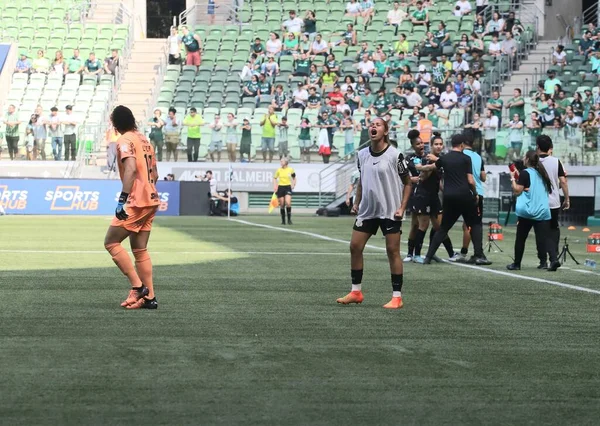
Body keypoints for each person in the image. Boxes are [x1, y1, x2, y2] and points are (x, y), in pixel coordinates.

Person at [336, 117, 412, 309]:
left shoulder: (395, 155)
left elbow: (408, 182)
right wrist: (357, 201)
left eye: (378, 125)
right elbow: (362, 179)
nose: (373, 127)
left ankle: (397, 297)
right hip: (368, 210)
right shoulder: (362, 155)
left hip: (390, 210)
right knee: (355, 246)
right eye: (372, 124)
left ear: (385, 132)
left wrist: (402, 207)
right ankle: (356, 292)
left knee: (392, 251)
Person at [103, 105, 159, 310]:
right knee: (140, 249)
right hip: (152, 198)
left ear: (116, 124)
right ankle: (150, 298)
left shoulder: (125, 140)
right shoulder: (144, 140)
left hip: (137, 201)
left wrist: (122, 200)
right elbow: (155, 174)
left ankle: (138, 287)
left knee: (111, 242)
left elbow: (131, 169)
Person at [420, 133, 491, 265]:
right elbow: (470, 180)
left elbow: (432, 167)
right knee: (475, 224)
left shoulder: (445, 158)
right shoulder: (465, 159)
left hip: (449, 196)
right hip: (465, 195)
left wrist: (418, 167)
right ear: (462, 145)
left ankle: (428, 257)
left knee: (443, 228)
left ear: (451, 144)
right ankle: (478, 255)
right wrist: (475, 193)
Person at [405, 131, 456, 263]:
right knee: (418, 225)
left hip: (433, 196)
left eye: (441, 144)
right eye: (436, 144)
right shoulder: (420, 159)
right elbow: (418, 176)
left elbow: (438, 180)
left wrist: (446, 191)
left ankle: (448, 253)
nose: (439, 146)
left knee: (440, 226)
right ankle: (414, 254)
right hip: (421, 195)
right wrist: (414, 178)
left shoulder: (438, 159)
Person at [507, 151, 561, 272]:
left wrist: (512, 178)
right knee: (546, 237)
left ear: (526, 160)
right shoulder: (542, 173)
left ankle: (517, 263)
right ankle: (553, 260)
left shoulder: (525, 173)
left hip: (527, 211)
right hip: (542, 210)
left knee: (521, 238)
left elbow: (517, 190)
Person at [535, 135, 570, 269]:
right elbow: (563, 182)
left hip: (538, 202)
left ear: (537, 147)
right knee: (553, 229)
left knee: (540, 231)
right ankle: (554, 256)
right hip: (554, 202)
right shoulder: (556, 161)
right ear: (550, 148)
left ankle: (543, 260)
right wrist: (567, 198)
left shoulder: (534, 162)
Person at [456, 134, 486, 261]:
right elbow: (483, 177)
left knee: (469, 225)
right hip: (478, 192)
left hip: (464, 192)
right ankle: (473, 252)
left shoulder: (461, 156)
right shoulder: (478, 157)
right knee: (472, 224)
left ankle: (471, 252)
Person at [274, 157, 296, 225]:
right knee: (282, 204)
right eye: (280, 161)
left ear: (286, 162)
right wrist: (275, 186)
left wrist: (293, 184)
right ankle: (283, 221)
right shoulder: (278, 170)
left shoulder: (290, 169)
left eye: (282, 161)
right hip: (281, 187)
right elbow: (274, 178)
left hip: (288, 187)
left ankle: (289, 219)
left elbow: (294, 178)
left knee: (288, 202)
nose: (281, 163)